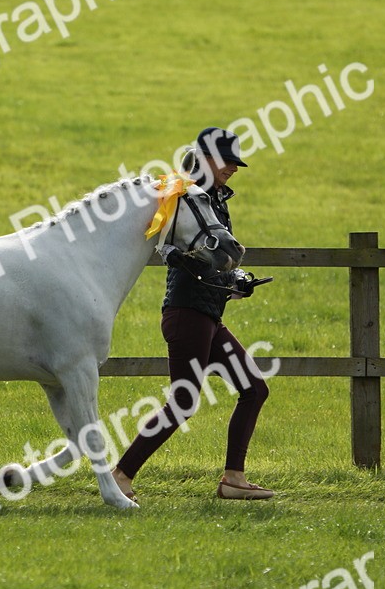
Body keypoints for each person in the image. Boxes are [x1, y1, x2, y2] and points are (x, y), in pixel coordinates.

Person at [112, 127, 275, 501]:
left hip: (208, 314)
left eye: (236, 161)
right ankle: (121, 475)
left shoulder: (215, 200)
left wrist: (236, 280)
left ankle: (233, 478)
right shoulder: (180, 195)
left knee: (254, 389)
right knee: (184, 402)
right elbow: (164, 247)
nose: (234, 167)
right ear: (204, 159)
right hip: (187, 314)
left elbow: (214, 258)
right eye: (226, 160)